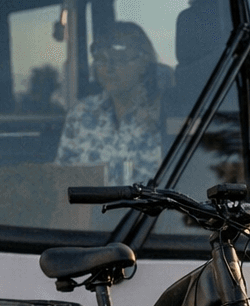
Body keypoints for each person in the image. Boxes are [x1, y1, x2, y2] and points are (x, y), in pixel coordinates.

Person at [56, 21, 167, 186]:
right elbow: (61, 180)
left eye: (120, 59)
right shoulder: (81, 114)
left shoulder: (164, 116)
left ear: (144, 63)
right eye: (101, 59)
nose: (109, 68)